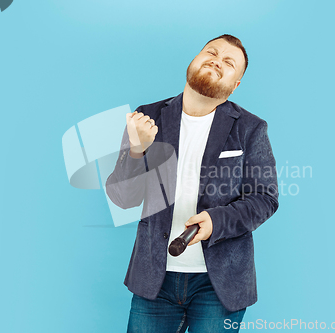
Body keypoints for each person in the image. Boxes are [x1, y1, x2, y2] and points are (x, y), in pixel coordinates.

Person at [106, 34, 279, 333]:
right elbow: (123, 199)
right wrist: (136, 151)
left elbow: (264, 198)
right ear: (194, 61)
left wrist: (217, 220)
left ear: (235, 84)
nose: (217, 60)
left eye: (229, 62)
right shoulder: (147, 118)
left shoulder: (251, 129)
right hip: (154, 280)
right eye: (211, 52)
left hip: (219, 285)